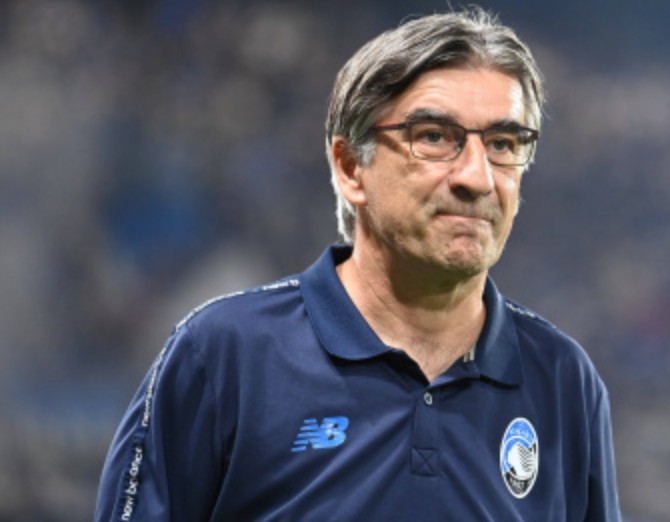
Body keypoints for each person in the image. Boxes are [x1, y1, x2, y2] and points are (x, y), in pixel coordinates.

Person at [95, 8, 621, 521]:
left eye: (503, 144)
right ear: (350, 168)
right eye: (434, 138)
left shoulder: (563, 379)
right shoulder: (223, 355)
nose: (477, 178)